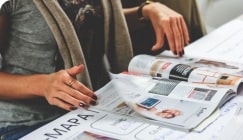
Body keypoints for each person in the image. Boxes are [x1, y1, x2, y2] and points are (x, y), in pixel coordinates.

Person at [0, 0, 193, 139]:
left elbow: (89, 19)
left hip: (94, 107)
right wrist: (42, 84)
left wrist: (146, 11)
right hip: (27, 124)